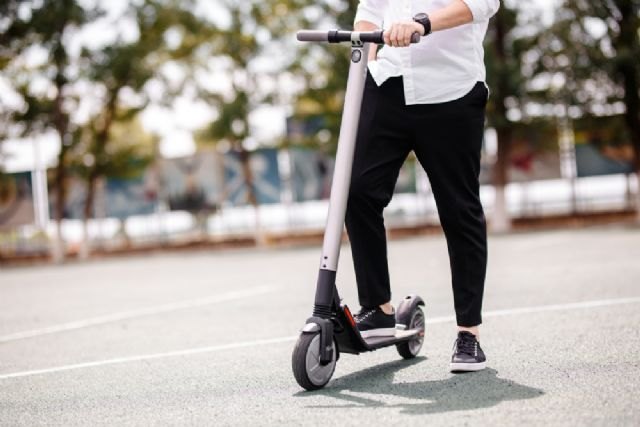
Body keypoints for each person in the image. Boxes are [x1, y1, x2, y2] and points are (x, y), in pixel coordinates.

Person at [347, 0, 500, 372]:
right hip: (388, 83)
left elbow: (482, 3)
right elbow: (371, 8)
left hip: (451, 90)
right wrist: (365, 51)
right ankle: (378, 308)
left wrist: (422, 23)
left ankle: (469, 333)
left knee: (458, 208)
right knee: (356, 194)